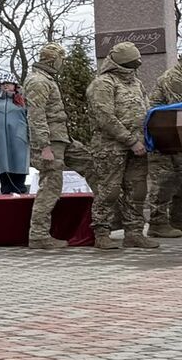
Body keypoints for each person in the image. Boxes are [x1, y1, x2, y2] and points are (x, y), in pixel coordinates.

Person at [85, 40, 156, 251]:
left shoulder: (136, 82)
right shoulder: (103, 83)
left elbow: (147, 108)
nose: (135, 66)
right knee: (109, 191)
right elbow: (104, 117)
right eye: (132, 63)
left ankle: (134, 233)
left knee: (137, 190)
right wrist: (130, 140)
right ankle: (102, 233)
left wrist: (146, 137)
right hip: (110, 148)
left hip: (138, 147)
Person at [23, 44, 73, 249]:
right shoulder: (38, 81)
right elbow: (36, 116)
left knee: (89, 163)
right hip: (50, 142)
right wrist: (44, 146)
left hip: (60, 139)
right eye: (61, 59)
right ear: (53, 60)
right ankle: (39, 235)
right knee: (50, 187)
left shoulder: (46, 79)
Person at [148, 55, 182, 239]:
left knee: (179, 179)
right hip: (162, 137)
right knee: (164, 181)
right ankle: (157, 223)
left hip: (175, 137)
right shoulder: (174, 78)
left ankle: (177, 221)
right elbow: (179, 108)